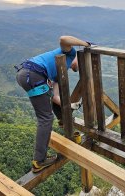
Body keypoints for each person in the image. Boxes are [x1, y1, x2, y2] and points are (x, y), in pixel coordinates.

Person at [15, 35, 90, 172]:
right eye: (82, 62)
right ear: (78, 57)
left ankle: (65, 124)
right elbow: (63, 39)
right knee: (45, 118)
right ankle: (39, 160)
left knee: (49, 107)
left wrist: (69, 106)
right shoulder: (70, 52)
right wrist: (86, 44)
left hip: (27, 74)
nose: (79, 68)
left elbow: (55, 97)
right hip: (32, 75)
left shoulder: (60, 67)